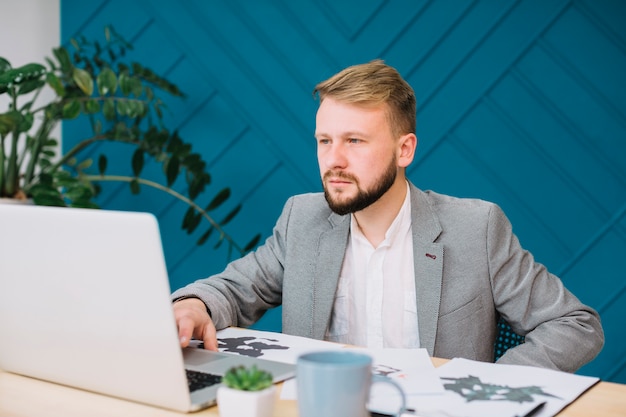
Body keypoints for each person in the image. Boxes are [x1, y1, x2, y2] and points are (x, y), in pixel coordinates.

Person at [172, 59, 604, 372]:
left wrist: (486, 383)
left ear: (405, 150)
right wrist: (193, 304)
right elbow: (233, 289)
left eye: (354, 141)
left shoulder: (477, 228)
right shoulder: (301, 219)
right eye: (324, 141)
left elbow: (575, 324)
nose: (333, 161)